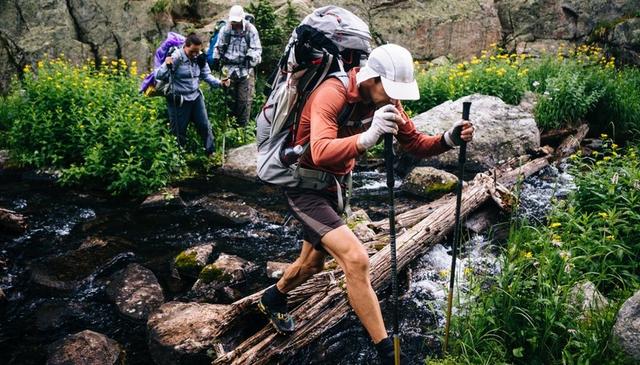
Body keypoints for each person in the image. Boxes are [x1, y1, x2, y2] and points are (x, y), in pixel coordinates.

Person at [257, 44, 474, 364]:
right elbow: (319, 151)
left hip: (332, 188)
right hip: (302, 184)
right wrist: (369, 137)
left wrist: (448, 138)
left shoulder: (386, 100)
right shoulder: (332, 93)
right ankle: (386, 353)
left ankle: (273, 298)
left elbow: (414, 143)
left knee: (312, 265)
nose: (394, 98)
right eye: (390, 90)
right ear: (372, 79)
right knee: (356, 260)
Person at [155, 33, 229, 156]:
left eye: (197, 51)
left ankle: (210, 153)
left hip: (195, 97)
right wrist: (167, 65)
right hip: (179, 99)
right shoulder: (177, 56)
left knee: (204, 125)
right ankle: (178, 157)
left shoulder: (199, 58)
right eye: (192, 51)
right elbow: (159, 75)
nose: (195, 54)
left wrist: (220, 83)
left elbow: (206, 75)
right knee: (178, 130)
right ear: (186, 46)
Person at [211, 4, 262, 127]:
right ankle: (228, 126)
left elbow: (257, 49)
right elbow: (218, 47)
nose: (235, 24)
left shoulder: (251, 30)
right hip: (227, 69)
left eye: (237, 21)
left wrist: (251, 57)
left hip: (246, 69)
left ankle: (242, 128)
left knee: (244, 100)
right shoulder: (225, 30)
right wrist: (216, 59)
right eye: (233, 21)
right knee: (228, 99)